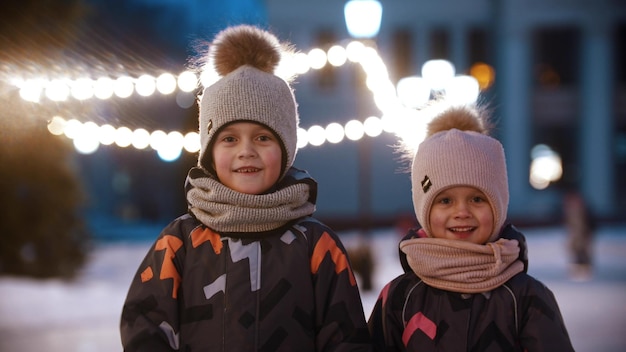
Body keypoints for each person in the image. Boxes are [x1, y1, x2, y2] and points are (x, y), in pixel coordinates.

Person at [120, 25, 371, 351]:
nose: (246, 150)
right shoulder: (181, 242)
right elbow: (144, 323)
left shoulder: (316, 246)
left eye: (263, 137)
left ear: (286, 147)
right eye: (229, 138)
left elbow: (346, 338)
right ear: (210, 151)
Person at [368, 102, 574, 351]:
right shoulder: (400, 299)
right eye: (445, 200)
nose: (462, 212)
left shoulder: (526, 298)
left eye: (477, 199)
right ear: (424, 209)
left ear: (499, 206)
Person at [563, 189, 595, 281]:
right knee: (576, 251)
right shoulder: (571, 210)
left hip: (582, 234)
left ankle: (584, 268)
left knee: (583, 251)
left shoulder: (582, 210)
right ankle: (578, 268)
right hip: (575, 235)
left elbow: (586, 223)